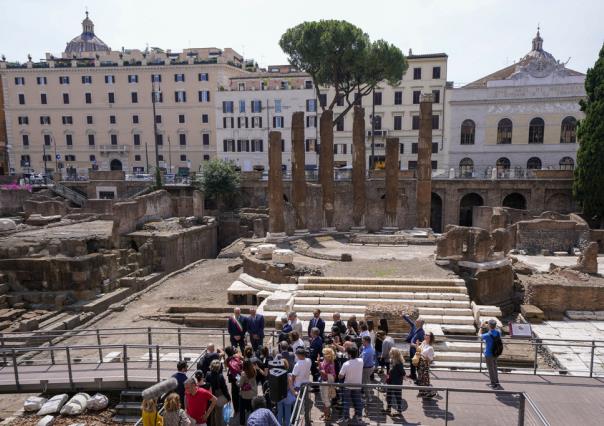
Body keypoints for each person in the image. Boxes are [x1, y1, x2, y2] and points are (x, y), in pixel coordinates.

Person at [338, 345, 364, 423]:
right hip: (358, 385)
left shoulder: (346, 364)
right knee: (358, 401)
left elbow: (340, 376)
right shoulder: (361, 361)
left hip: (347, 386)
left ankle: (346, 418)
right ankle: (359, 416)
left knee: (346, 403)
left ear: (349, 354)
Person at [287, 347, 312, 425]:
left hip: (298, 386)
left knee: (297, 403)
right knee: (306, 402)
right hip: (306, 384)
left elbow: (293, 377)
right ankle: (307, 419)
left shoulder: (297, 365)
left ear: (299, 355)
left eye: (297, 354)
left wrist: (291, 386)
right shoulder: (309, 360)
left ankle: (296, 419)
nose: (296, 356)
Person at [205, 360, 231, 426]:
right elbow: (224, 388)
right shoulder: (220, 376)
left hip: (210, 396)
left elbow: (206, 385)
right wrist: (228, 397)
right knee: (218, 414)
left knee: (211, 413)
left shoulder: (208, 374)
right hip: (218, 397)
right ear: (218, 368)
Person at [383, 348, 406, 416]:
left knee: (397, 396)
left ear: (394, 354)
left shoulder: (399, 363)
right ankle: (388, 409)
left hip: (396, 382)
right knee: (388, 395)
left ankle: (399, 411)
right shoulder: (392, 361)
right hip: (391, 381)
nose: (389, 354)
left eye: (391, 353)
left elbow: (403, 372)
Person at [403, 315, 425, 382]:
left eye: (417, 321)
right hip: (412, 349)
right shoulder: (415, 327)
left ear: (420, 323)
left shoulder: (421, 332)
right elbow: (410, 322)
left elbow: (421, 343)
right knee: (412, 362)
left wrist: (414, 344)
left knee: (417, 364)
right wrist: (404, 316)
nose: (415, 321)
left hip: (416, 350)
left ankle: (419, 379)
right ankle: (413, 375)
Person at [481, 319, 501, 388]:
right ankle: (497, 381)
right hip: (496, 352)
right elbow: (496, 330)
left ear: (489, 325)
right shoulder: (498, 333)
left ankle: (494, 384)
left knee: (490, 369)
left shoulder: (487, 335)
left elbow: (479, 336)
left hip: (489, 354)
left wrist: (481, 327)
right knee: (495, 367)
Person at [238, 359, 258, 426]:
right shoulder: (254, 370)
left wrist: (237, 382)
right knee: (253, 410)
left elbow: (240, 384)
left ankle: (242, 423)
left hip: (245, 395)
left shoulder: (243, 374)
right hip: (254, 393)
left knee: (242, 410)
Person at [416, 332, 436, 399]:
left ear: (430, 338)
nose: (425, 335)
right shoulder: (424, 342)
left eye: (427, 335)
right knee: (420, 378)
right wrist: (417, 344)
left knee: (425, 379)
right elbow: (418, 349)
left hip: (425, 364)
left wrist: (422, 355)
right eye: (425, 334)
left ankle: (428, 393)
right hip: (420, 363)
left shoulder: (430, 348)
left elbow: (430, 360)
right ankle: (422, 392)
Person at [319, 347, 336, 421]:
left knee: (326, 400)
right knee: (323, 398)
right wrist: (319, 362)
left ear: (327, 355)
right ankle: (325, 412)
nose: (323, 355)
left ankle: (328, 415)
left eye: (324, 354)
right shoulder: (325, 361)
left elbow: (333, 376)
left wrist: (324, 373)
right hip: (323, 382)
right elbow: (321, 367)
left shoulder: (331, 364)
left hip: (327, 384)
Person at [225, 346, 243, 414]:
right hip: (239, 375)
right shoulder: (237, 356)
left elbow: (226, 366)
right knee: (242, 389)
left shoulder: (227, 359)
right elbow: (244, 360)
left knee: (234, 392)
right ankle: (243, 407)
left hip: (233, 377)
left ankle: (236, 409)